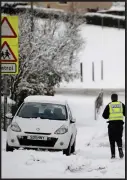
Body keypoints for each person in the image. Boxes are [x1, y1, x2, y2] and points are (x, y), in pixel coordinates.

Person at [102, 93, 125, 159]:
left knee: (111, 140)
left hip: (111, 125)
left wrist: (109, 115)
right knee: (119, 138)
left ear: (111, 98)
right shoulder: (121, 104)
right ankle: (120, 149)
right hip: (119, 124)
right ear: (117, 98)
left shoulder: (109, 105)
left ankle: (113, 154)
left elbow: (104, 116)